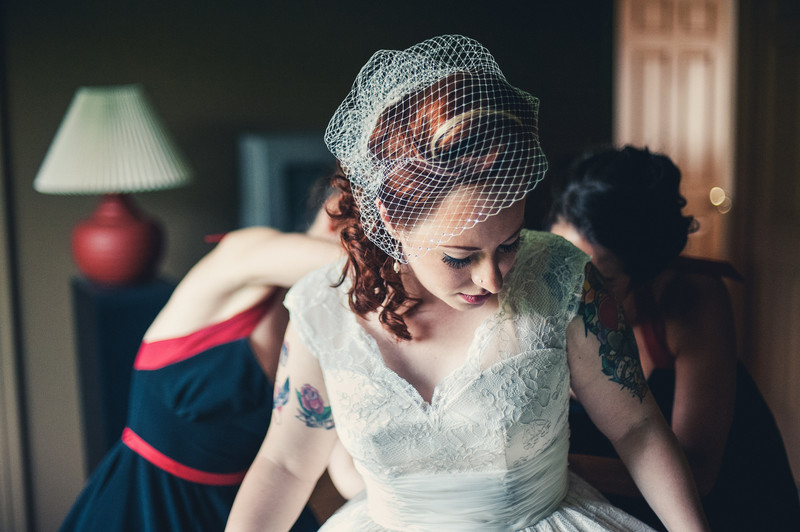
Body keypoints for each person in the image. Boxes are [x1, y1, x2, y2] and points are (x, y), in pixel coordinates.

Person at [226, 35, 709, 531]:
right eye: (460, 256)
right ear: (391, 218)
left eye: (509, 243)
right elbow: (285, 465)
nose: (492, 280)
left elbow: (637, 426)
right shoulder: (321, 308)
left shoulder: (563, 278)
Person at [59, 179, 344, 531]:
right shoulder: (246, 249)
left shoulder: (334, 316)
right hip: (151, 501)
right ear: (336, 209)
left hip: (252, 504)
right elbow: (357, 267)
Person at [548, 145, 800, 531]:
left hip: (710, 501)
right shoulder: (526, 288)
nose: (573, 294)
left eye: (601, 279)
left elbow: (698, 472)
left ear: (644, 273)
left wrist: (555, 470)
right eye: (561, 263)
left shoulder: (692, 297)